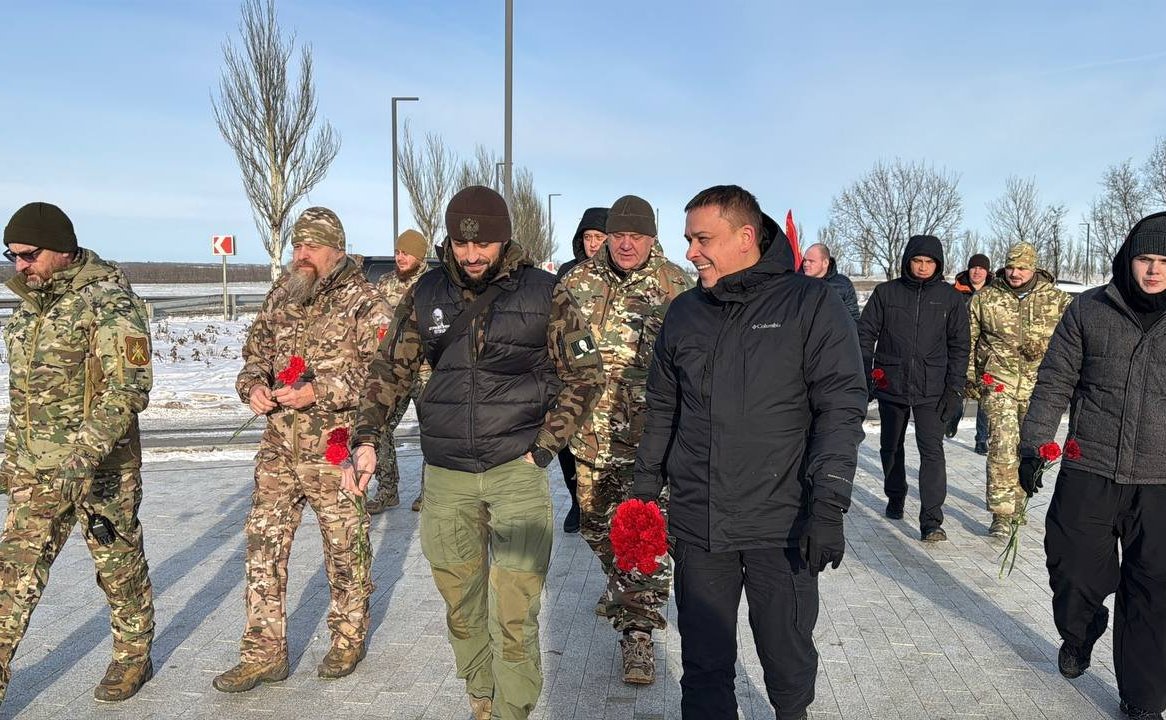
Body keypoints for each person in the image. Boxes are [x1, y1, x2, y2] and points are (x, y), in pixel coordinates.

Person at [345, 186, 602, 720]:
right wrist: (368, 437)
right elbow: (388, 372)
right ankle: (481, 698)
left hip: (516, 472)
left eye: (483, 242)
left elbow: (585, 373)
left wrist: (545, 447)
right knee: (463, 608)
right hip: (447, 478)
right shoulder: (423, 294)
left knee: (514, 610)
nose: (472, 255)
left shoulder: (545, 292)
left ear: (503, 236)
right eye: (463, 245)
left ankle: (513, 710)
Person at [632, 185, 867, 720]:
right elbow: (662, 408)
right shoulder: (684, 313)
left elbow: (840, 407)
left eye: (702, 239)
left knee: (786, 663)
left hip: (780, 522)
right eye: (688, 239)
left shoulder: (811, 305)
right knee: (705, 669)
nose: (691, 251)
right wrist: (644, 492)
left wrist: (829, 504)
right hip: (701, 523)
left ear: (745, 237)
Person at [214, 207, 392, 692]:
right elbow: (254, 356)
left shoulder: (365, 302)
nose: (302, 255)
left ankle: (348, 638)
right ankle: (263, 654)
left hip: (335, 448)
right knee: (263, 546)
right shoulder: (283, 294)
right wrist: (251, 385)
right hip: (278, 447)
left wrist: (322, 390)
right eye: (297, 246)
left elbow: (385, 376)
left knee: (344, 548)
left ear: (336, 247)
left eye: (311, 246)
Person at [0, 202, 155, 704]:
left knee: (118, 565)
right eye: (11, 256)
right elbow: (22, 397)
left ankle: (133, 657)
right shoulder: (28, 311)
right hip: (36, 470)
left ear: (62, 250)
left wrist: (84, 454)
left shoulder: (109, 302)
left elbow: (130, 387)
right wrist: (10, 456)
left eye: (28, 254)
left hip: (100, 469)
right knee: (11, 576)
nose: (19, 265)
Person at [1021, 212, 1166, 720]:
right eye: (1146, 259)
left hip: (1160, 479)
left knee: (1154, 589)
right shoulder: (1089, 309)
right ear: (1128, 260)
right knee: (1073, 567)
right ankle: (1079, 634)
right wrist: (1034, 442)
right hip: (1092, 464)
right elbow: (1055, 379)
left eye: (1165, 262)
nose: (1153, 271)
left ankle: (1144, 699)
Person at [560, 195, 691, 684]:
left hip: (650, 444)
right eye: (619, 235)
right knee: (597, 529)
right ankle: (629, 586)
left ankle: (637, 635)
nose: (627, 244)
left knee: (642, 535)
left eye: (637, 236)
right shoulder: (575, 284)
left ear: (653, 238)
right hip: (590, 441)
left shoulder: (676, 287)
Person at [858, 235, 968, 541]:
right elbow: (865, 334)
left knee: (931, 450)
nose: (922, 267)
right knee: (890, 446)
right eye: (917, 261)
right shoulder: (886, 293)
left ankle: (931, 520)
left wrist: (954, 390)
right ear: (908, 261)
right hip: (891, 381)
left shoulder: (950, 298)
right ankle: (895, 495)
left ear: (938, 264)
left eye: (929, 262)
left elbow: (960, 346)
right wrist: (868, 373)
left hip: (933, 386)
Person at [967, 242, 1070, 537]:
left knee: (1030, 447)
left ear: (1034, 268)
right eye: (1011, 267)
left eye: (1022, 268)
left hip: (1040, 385)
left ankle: (1019, 504)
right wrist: (971, 378)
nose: (1015, 273)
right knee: (1002, 443)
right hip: (998, 381)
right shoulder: (986, 299)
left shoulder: (1057, 300)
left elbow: (1073, 343)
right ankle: (1001, 513)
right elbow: (968, 340)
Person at [368, 228, 431, 515]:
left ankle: (429, 494)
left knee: (433, 432)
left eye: (406, 252)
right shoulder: (384, 283)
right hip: (396, 370)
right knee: (379, 427)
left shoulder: (433, 283)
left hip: (428, 371)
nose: (400, 257)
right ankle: (387, 489)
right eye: (397, 252)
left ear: (420, 255)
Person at [555, 206, 608, 533]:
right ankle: (577, 501)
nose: (592, 244)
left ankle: (601, 501)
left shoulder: (616, 276)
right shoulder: (567, 273)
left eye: (599, 237)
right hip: (571, 373)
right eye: (587, 237)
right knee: (566, 440)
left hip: (608, 372)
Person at [954, 253, 993, 453]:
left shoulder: (994, 292)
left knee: (985, 396)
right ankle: (952, 419)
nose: (977, 271)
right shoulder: (956, 291)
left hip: (986, 352)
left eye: (981, 268)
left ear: (987, 271)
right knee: (957, 391)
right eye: (973, 267)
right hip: (960, 348)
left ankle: (981, 438)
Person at [800, 242, 860, 322]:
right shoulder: (797, 283)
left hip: (834, 333)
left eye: (811, 261)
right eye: (804, 260)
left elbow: (853, 317)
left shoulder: (843, 284)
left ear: (825, 263)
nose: (806, 264)